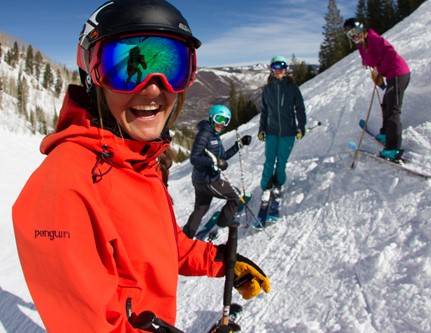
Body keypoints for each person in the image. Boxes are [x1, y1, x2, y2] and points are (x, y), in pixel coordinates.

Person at [12, 1, 270, 332]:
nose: (151, 88)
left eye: (172, 67)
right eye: (127, 69)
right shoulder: (65, 188)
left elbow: (161, 245)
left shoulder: (138, 161)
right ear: (93, 79)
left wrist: (220, 262)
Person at [343, 18, 411, 161]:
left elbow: (391, 53)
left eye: (355, 32)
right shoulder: (362, 45)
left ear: (361, 28)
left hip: (398, 73)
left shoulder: (373, 38)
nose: (354, 36)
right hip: (392, 75)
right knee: (386, 104)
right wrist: (377, 74)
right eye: (350, 34)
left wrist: (379, 69)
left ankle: (393, 149)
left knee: (393, 110)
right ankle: (386, 133)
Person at [182, 105, 252, 239]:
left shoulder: (213, 135)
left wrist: (239, 145)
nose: (222, 124)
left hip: (201, 180)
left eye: (225, 121)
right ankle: (222, 224)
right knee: (235, 195)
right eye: (219, 118)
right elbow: (194, 158)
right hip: (209, 181)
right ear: (211, 118)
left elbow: (222, 158)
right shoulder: (204, 135)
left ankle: (186, 236)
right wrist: (214, 162)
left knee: (201, 208)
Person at [257, 55, 306, 202]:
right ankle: (266, 187)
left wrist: (300, 127)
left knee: (281, 162)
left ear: (286, 69)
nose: (278, 70)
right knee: (269, 161)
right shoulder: (267, 89)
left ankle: (278, 184)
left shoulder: (292, 88)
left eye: (281, 67)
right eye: (275, 67)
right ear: (271, 70)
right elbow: (264, 111)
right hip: (271, 132)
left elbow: (300, 109)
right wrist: (262, 129)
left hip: (288, 132)